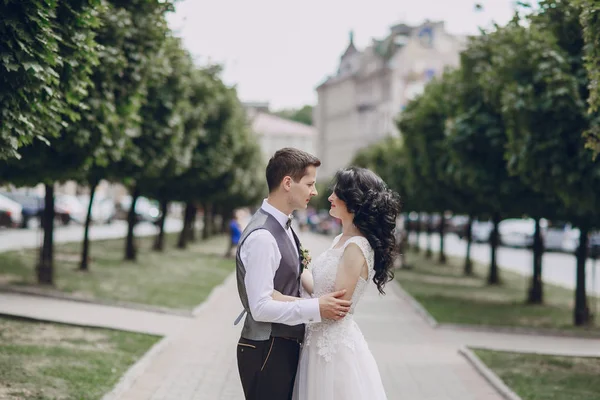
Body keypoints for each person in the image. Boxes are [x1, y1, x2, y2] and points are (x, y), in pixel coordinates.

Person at [274, 166, 401, 400]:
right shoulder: (341, 240)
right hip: (317, 343)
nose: (330, 197)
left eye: (337, 193)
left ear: (354, 201)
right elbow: (322, 289)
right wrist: (296, 266)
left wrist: (279, 299)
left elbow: (335, 309)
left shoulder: (356, 247)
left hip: (332, 351)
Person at [235, 148, 352, 400]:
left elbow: (293, 278)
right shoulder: (263, 237)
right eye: (310, 183)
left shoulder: (284, 225)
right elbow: (261, 308)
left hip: (281, 346)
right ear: (288, 183)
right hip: (266, 349)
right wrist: (316, 308)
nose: (315, 191)